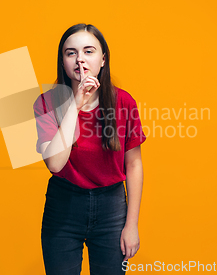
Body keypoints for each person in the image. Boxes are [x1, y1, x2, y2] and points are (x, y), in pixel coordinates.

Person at [33, 23, 146, 275]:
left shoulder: (123, 102)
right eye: (71, 53)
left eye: (89, 51)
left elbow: (134, 164)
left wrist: (132, 225)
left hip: (112, 208)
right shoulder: (46, 103)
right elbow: (55, 164)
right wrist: (76, 102)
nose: (80, 59)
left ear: (103, 59)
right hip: (64, 207)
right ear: (63, 62)